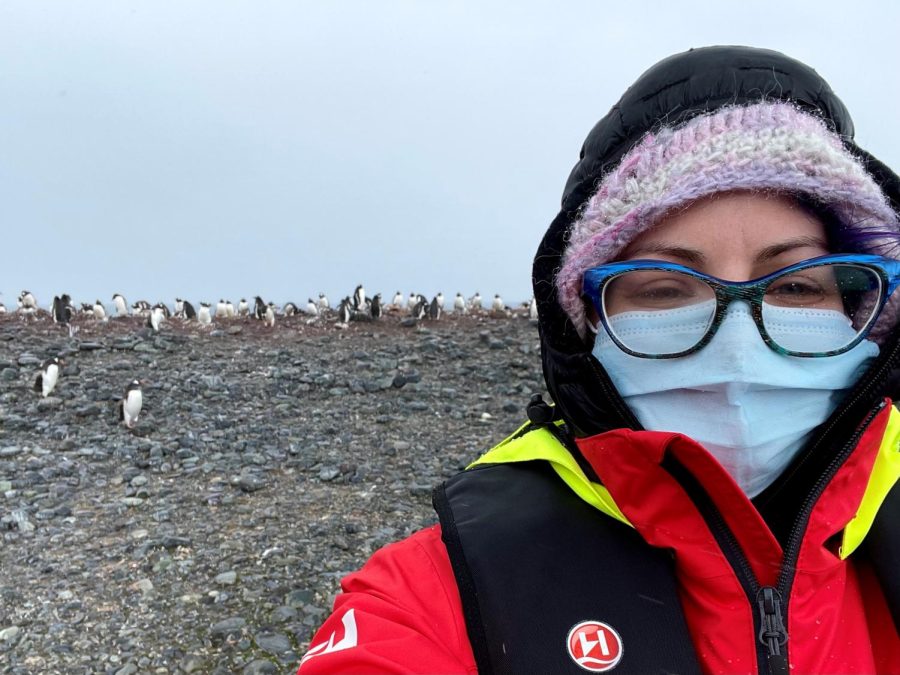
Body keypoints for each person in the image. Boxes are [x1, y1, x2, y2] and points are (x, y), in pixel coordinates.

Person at [298, 46, 900, 674]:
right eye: (664, 289)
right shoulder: (443, 595)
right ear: (583, 327)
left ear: (863, 317)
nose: (738, 344)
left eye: (796, 286)